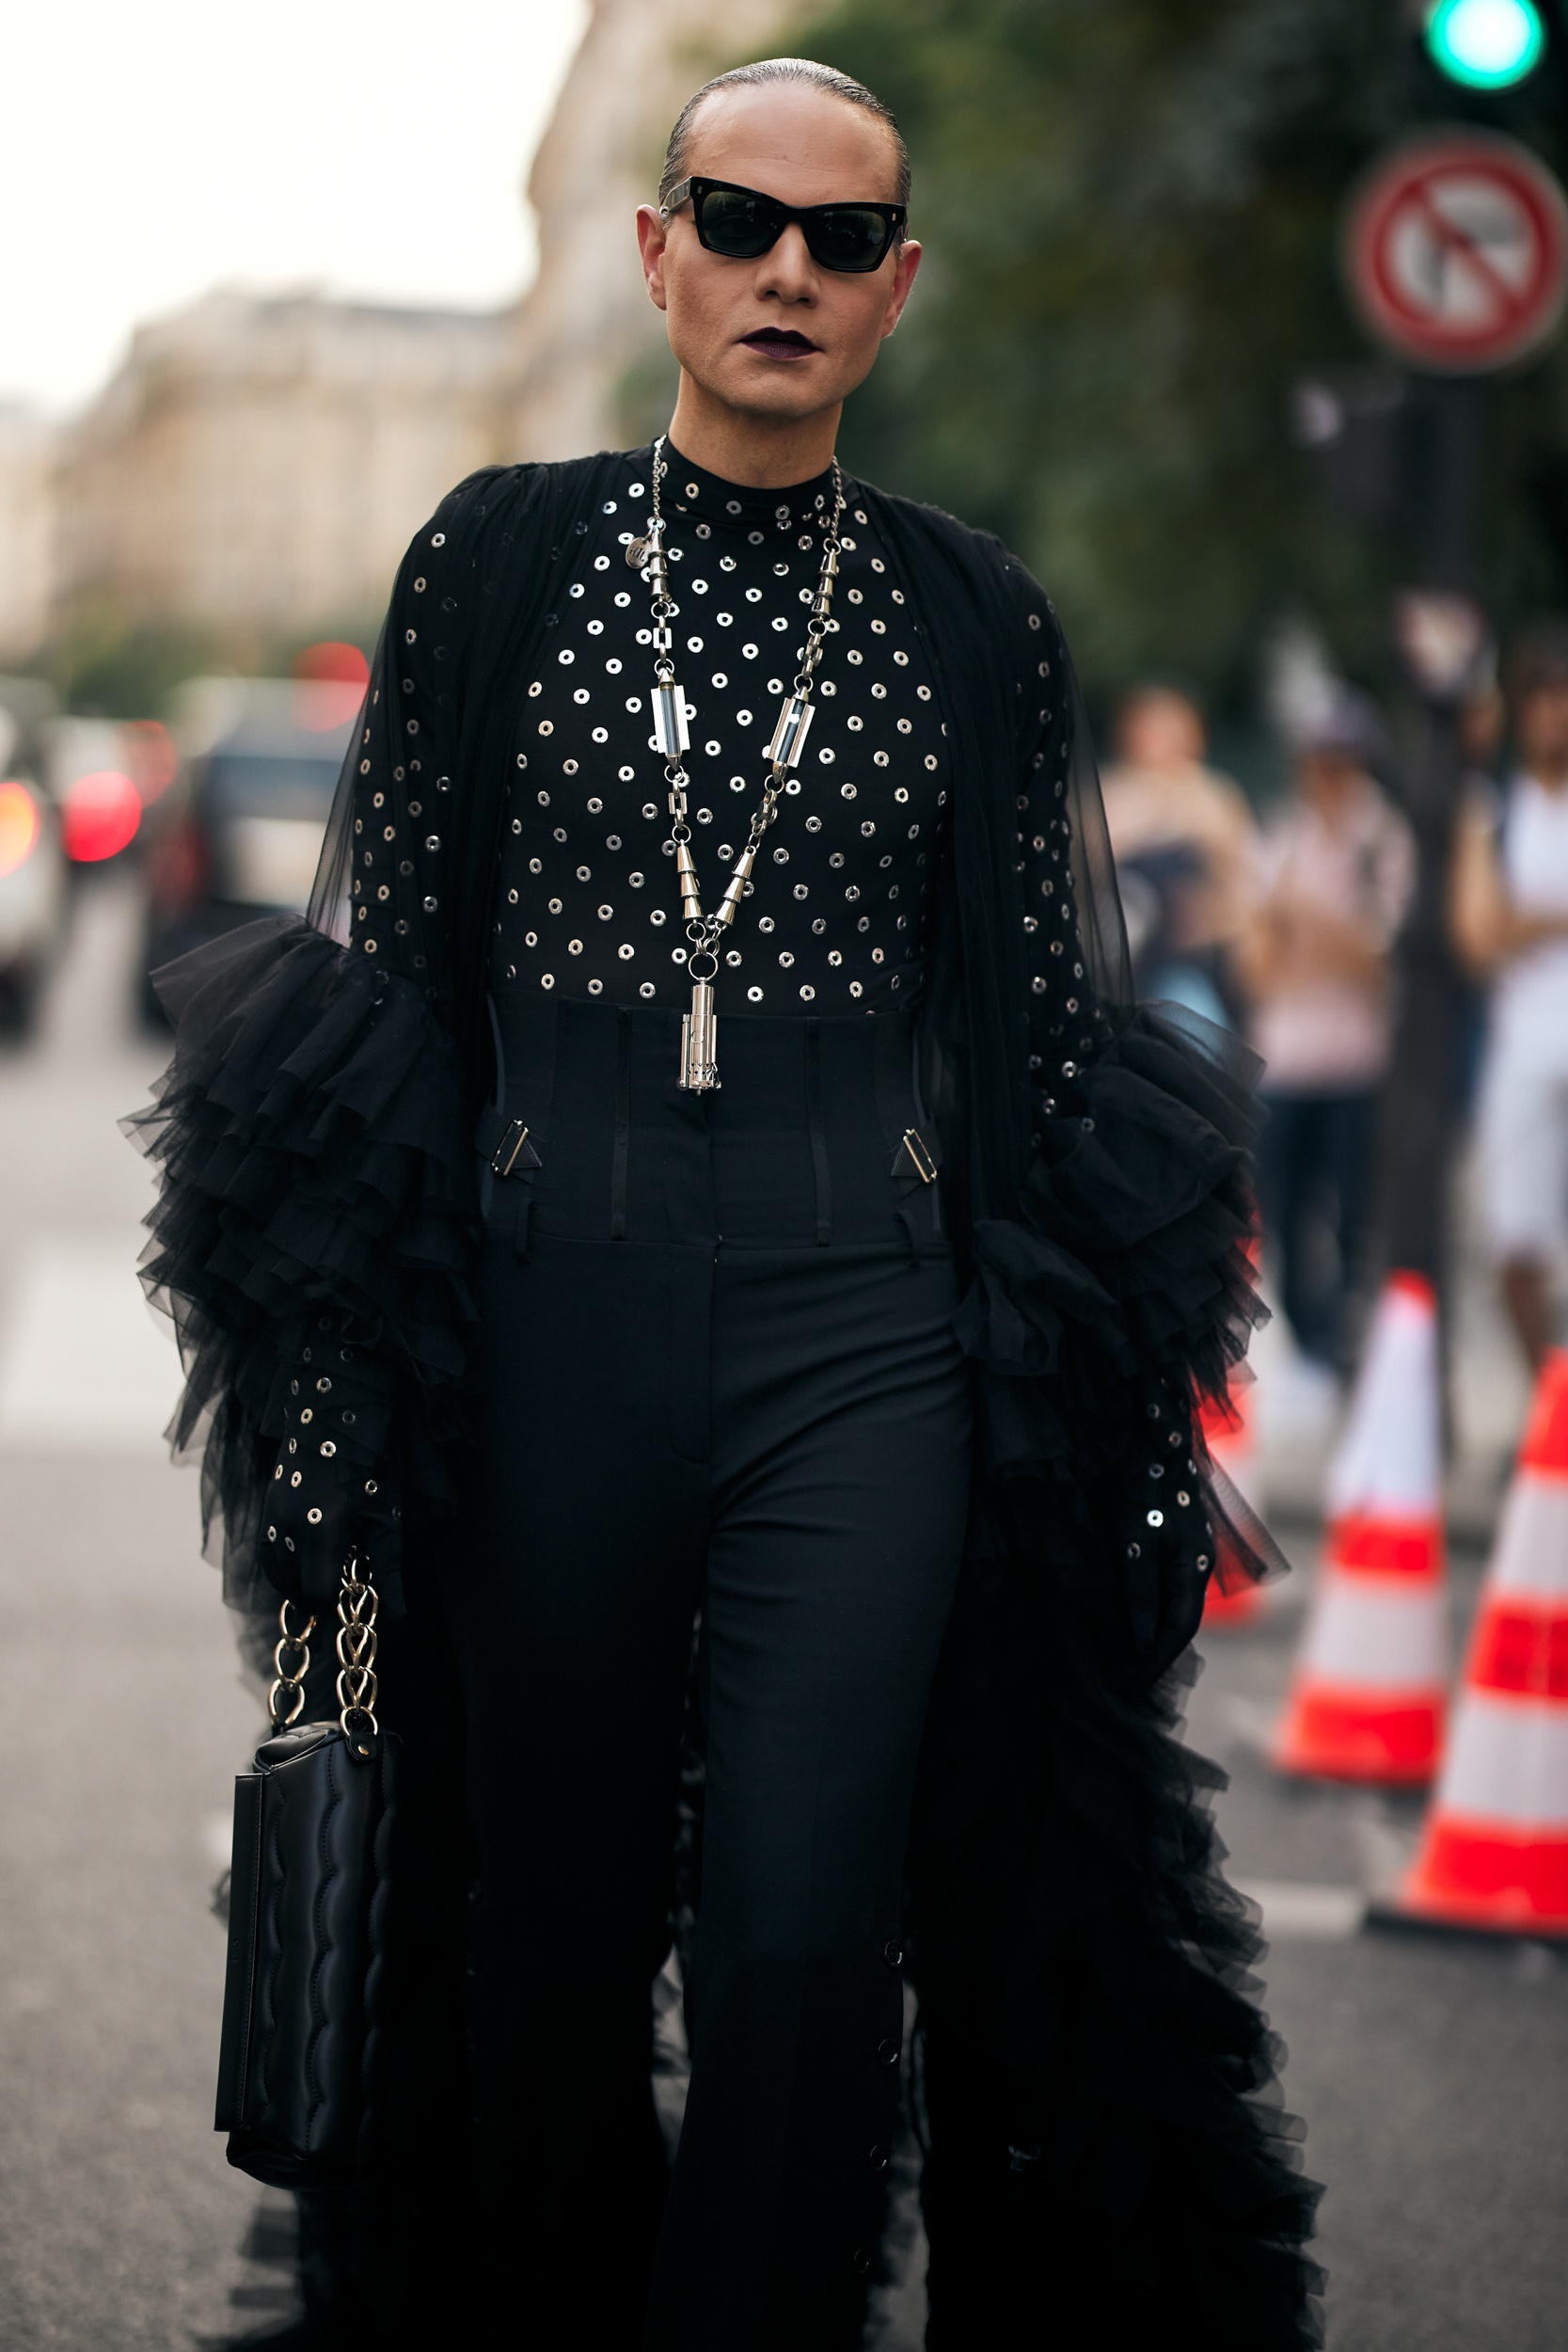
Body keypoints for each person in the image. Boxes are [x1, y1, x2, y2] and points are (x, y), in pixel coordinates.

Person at [131, 58, 1320, 2352]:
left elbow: (1044, 1045)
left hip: (855, 1321)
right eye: (740, 219)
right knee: (545, 1937)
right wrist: (355, 1377)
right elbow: (390, 978)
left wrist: (1067, 1408)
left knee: (804, 1931)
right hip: (539, 1285)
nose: (788, 268)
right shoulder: (500, 551)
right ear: (661, 248)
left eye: (841, 239)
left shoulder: (976, 616)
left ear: (896, 294)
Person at [1236, 690, 1413, 1380]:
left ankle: (1343, 1341)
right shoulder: (1279, 837)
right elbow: (1257, 967)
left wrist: (1301, 919)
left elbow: (1379, 962)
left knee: (1352, 1215)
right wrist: (1314, 934)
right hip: (1286, 1058)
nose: (1327, 774)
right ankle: (1311, 1342)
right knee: (1280, 1210)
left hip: (1358, 1061)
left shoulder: (1383, 839)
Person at [1451, 624, 1568, 1371]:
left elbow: (1504, 922)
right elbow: (1477, 933)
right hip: (1522, 1046)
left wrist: (1528, 918)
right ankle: (1547, 1403)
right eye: (1543, 699)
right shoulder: (1491, 808)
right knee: (1512, 1236)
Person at [1100, 682, 1258, 1026]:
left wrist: (1209, 918)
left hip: (1192, 962)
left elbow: (1244, 889)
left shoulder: (1213, 796)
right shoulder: (1111, 795)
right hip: (1123, 960)